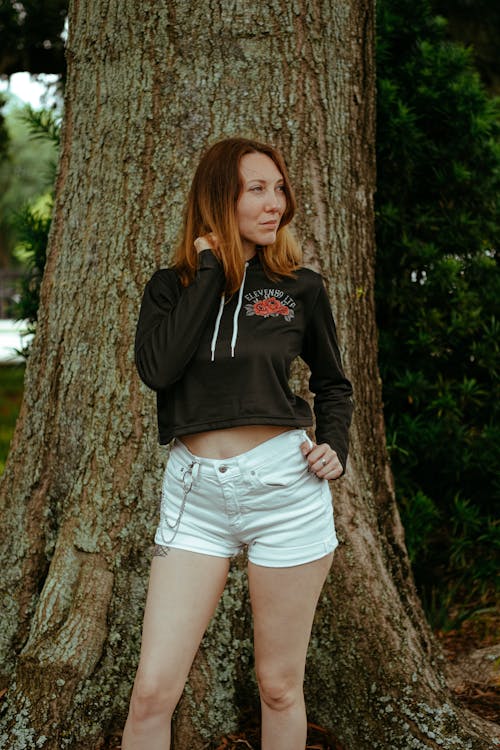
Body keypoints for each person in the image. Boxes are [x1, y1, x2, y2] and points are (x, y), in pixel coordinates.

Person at [122, 137, 353, 750]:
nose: (274, 203)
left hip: (285, 495)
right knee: (151, 691)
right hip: (194, 501)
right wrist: (206, 271)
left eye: (279, 189)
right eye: (258, 189)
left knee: (278, 685)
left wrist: (336, 445)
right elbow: (159, 369)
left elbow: (334, 385)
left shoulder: (299, 288)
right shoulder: (171, 287)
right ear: (219, 197)